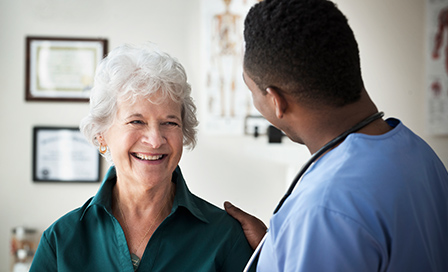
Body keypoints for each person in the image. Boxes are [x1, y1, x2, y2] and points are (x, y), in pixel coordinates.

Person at [224, 0, 448, 271]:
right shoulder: (418, 154)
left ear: (276, 100)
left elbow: (339, 222)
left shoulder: (323, 209)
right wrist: (279, 248)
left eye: (252, 91)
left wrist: (306, 235)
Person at [30, 43, 254, 272]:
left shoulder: (225, 236)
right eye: (136, 121)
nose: (155, 140)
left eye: (170, 123)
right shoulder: (61, 241)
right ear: (102, 134)